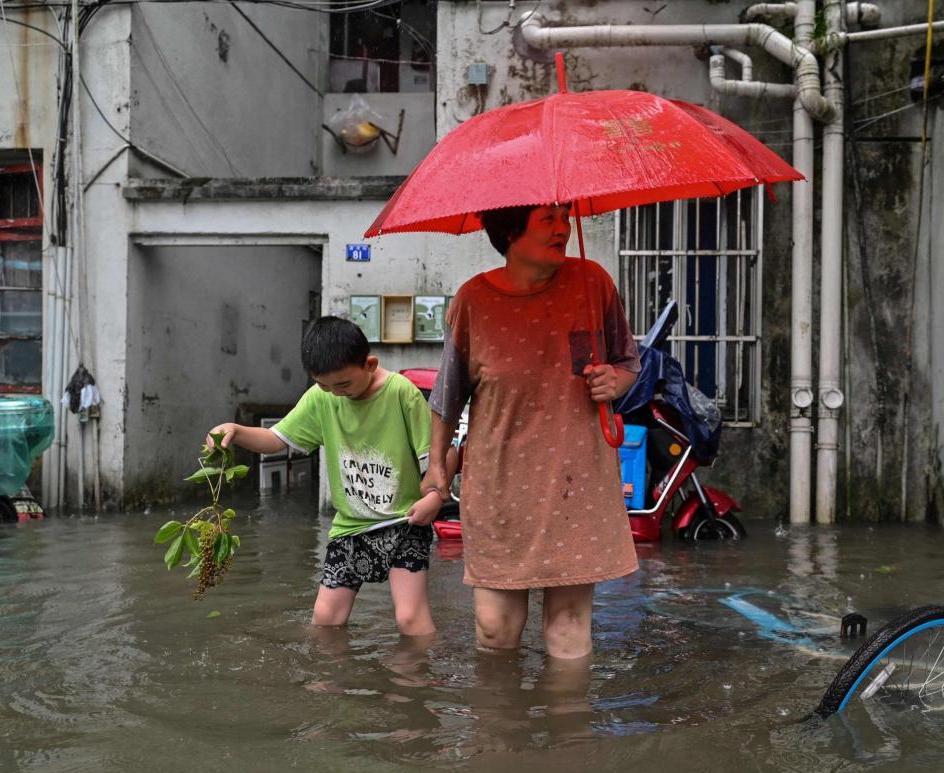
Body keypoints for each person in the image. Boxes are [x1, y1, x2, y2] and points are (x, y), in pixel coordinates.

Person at [425, 203, 641, 660]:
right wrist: (437, 469)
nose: (563, 227)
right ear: (509, 233)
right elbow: (448, 395)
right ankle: (503, 729)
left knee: (568, 629)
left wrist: (616, 381)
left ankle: (569, 731)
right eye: (548, 219)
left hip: (576, 480)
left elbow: (627, 361)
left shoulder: (593, 282)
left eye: (564, 216)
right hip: (500, 482)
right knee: (495, 630)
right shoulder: (471, 302)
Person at [206, 316, 442, 635]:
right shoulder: (322, 398)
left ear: (370, 364)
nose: (335, 393)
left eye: (343, 384)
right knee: (325, 620)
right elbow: (277, 440)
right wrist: (235, 430)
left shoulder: (401, 393)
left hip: (404, 522)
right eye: (324, 385)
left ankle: (418, 681)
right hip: (350, 526)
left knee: (410, 619)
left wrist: (434, 498)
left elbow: (436, 456)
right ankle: (327, 682)